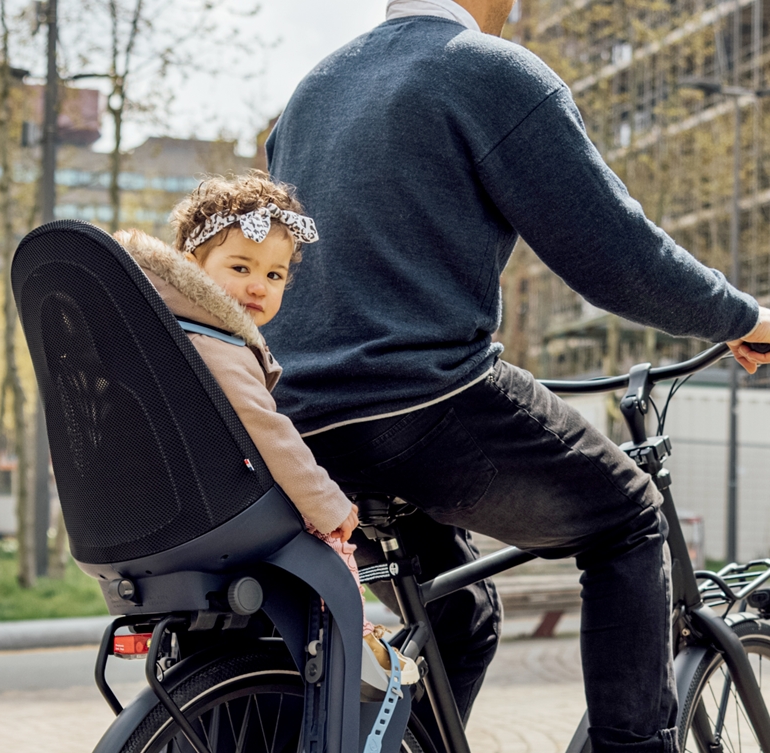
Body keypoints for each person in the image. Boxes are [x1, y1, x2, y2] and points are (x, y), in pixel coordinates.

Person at [262, 0, 770, 750]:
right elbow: (618, 257)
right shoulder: (484, 69)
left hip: (299, 426)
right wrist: (744, 317)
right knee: (628, 515)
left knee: (460, 619)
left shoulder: (314, 90)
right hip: (420, 403)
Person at [113, 173, 419, 690]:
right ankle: (356, 639)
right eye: (241, 267)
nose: (260, 285)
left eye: (276, 275)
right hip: (224, 509)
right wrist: (327, 504)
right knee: (332, 542)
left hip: (174, 510)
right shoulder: (212, 338)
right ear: (192, 270)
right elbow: (266, 428)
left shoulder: (168, 332)